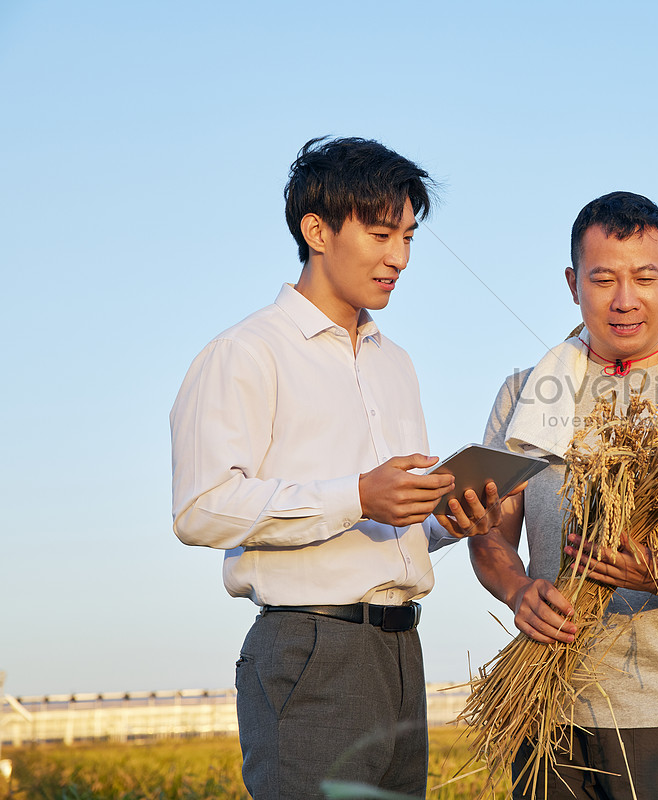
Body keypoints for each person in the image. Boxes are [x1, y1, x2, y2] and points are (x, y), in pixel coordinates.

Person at [170, 136, 502, 800]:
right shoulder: (245, 353)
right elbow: (200, 508)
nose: (400, 258)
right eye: (382, 234)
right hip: (311, 649)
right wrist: (356, 495)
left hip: (401, 651)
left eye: (409, 236)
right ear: (316, 229)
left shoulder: (395, 362)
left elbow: (386, 521)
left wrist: (444, 520)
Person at [468, 191, 658, 800]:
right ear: (572, 282)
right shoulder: (524, 393)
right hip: (548, 712)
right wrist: (517, 588)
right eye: (602, 278)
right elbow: (488, 533)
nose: (625, 299)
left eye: (645, 277)